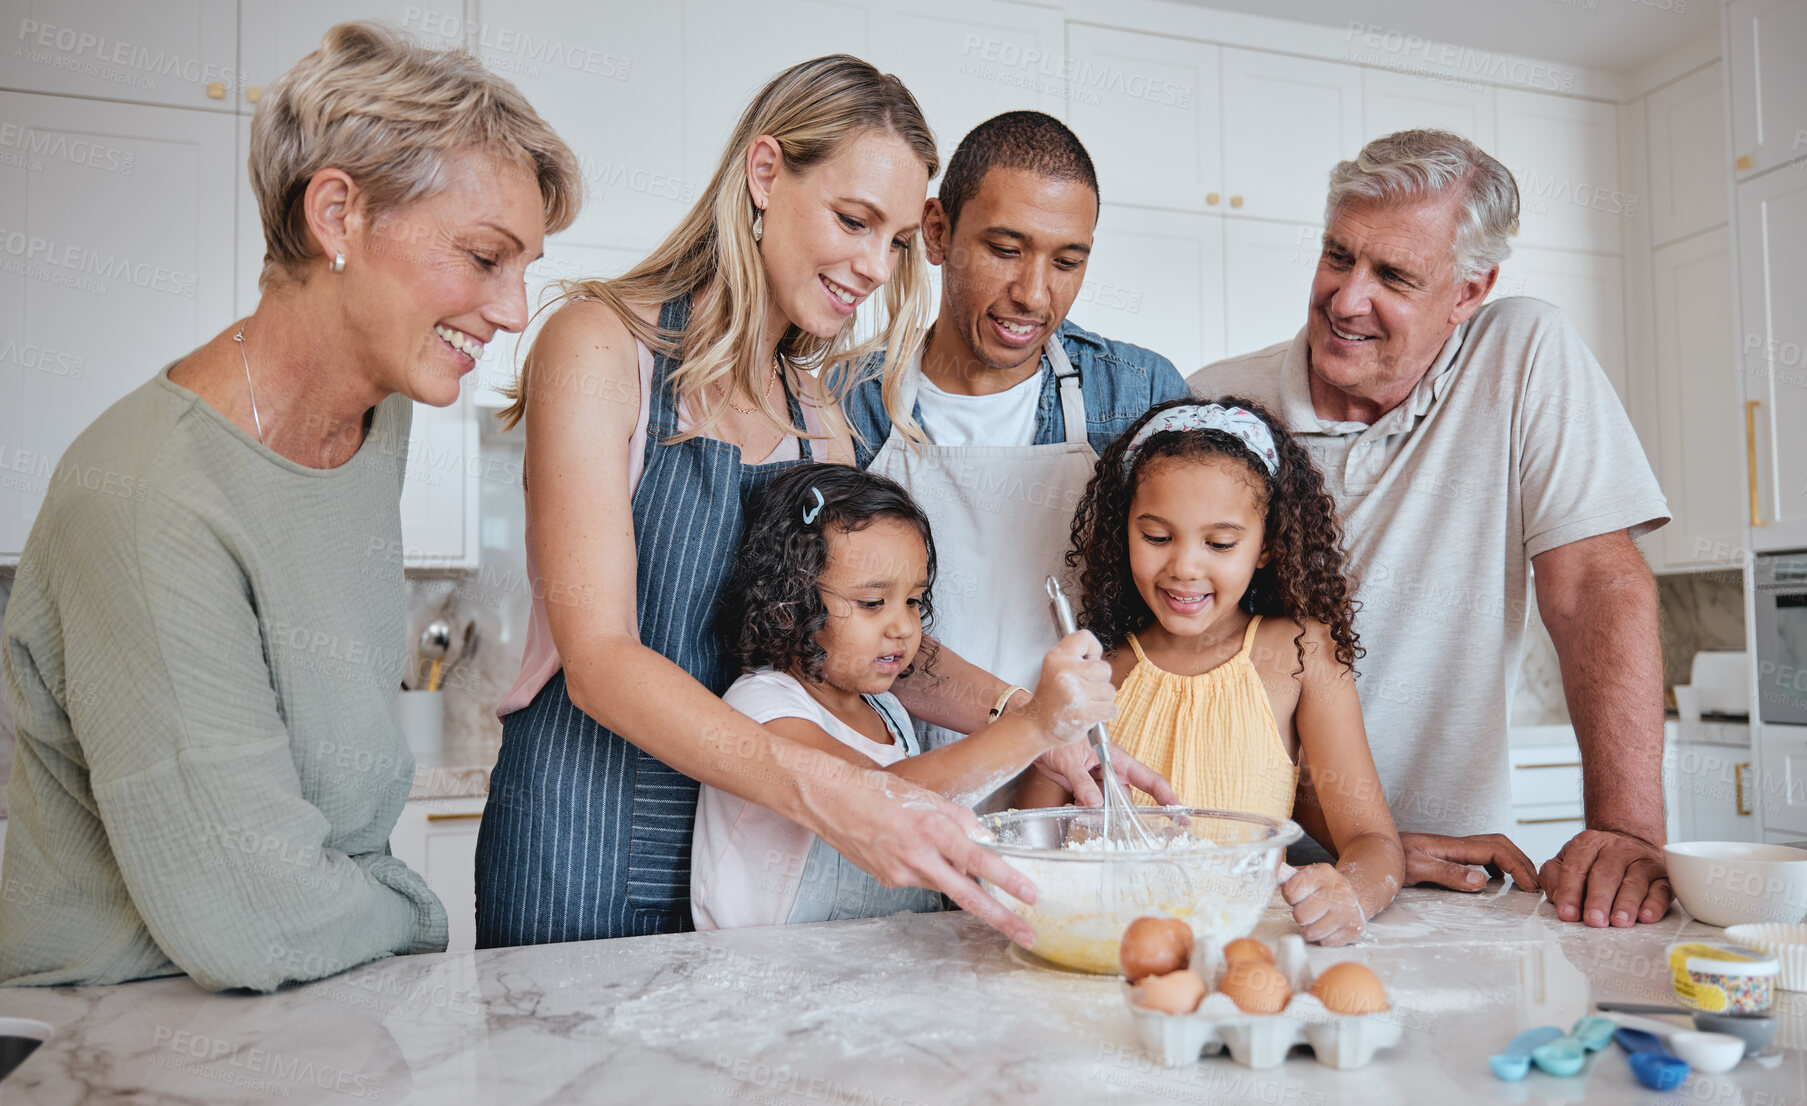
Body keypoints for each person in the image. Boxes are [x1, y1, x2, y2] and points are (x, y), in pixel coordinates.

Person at [476, 56, 1113, 948]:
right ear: (765, 174)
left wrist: (1038, 725)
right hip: (586, 834)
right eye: (853, 221)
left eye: (894, 242)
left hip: (751, 855)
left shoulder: (818, 413)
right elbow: (601, 658)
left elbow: (859, 628)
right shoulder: (600, 348)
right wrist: (838, 790)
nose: (872, 268)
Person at [0, 22, 582, 990]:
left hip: (304, 1004)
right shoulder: (148, 499)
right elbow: (250, 918)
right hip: (122, 1030)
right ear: (339, 214)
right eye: (485, 257)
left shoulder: (380, 419)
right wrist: (417, 909)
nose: (517, 310)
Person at [1189, 130, 1672, 929]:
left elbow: (1591, 586)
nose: (1346, 299)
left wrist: (1625, 832)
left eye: (1392, 276)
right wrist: (1361, 844)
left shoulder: (1521, 355)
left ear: (1466, 291)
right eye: (1337, 256)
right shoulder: (1219, 406)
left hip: (1460, 876)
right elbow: (1188, 661)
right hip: (1261, 873)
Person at [842, 110, 1189, 806]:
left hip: (1083, 794)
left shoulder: (1138, 396)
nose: (1035, 294)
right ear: (936, 232)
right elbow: (824, 627)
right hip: (902, 794)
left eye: (1067, 262)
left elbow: (1205, 607)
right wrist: (1023, 721)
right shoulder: (844, 406)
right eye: (1005, 249)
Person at [1019, 399, 1404, 945]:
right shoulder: (1098, 673)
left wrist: (1350, 894)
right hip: (1113, 955)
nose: (1184, 567)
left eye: (1220, 543)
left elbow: (1372, 841)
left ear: (1267, 544)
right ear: (1121, 528)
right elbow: (1022, 850)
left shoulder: (1299, 653)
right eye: (1156, 537)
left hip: (1247, 955)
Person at [691, 464, 1115, 929]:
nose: (903, 627)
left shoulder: (888, 710)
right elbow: (883, 799)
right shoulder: (764, 706)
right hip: (765, 980)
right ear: (788, 602)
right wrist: (1035, 725)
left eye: (913, 600)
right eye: (873, 603)